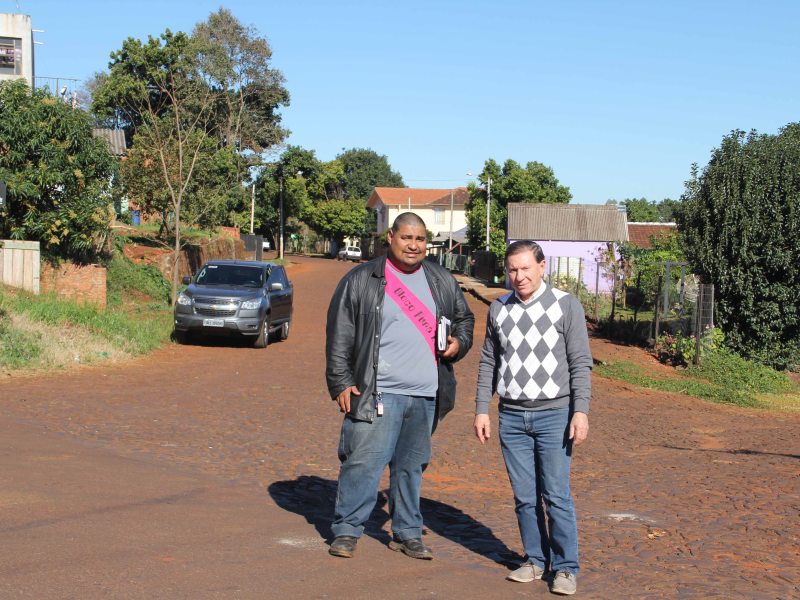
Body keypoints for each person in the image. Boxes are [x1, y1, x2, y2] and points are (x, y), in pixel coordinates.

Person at [326, 212, 474, 560]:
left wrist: (458, 343)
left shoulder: (440, 279)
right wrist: (340, 382)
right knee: (362, 462)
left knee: (411, 467)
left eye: (420, 239)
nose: (414, 245)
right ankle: (347, 529)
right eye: (406, 237)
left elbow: (464, 319)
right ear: (390, 237)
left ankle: (407, 533)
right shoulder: (361, 279)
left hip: (425, 395)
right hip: (377, 392)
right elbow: (339, 334)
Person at [473, 240, 592, 596]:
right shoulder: (498, 308)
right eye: (512, 269)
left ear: (542, 266)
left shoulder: (565, 305)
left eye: (526, 268)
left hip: (554, 414)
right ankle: (535, 560)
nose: (519, 276)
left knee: (556, 495)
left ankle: (566, 568)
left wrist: (580, 411)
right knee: (524, 496)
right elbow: (488, 363)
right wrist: (482, 408)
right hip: (511, 416)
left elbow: (580, 363)